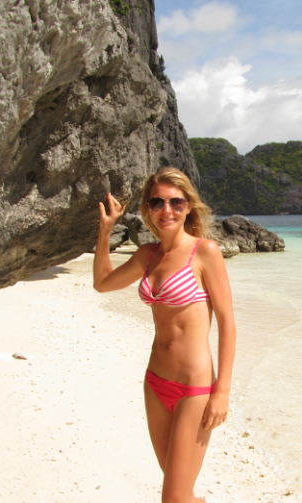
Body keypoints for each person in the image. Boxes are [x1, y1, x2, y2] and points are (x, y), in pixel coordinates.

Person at [93, 167, 236, 503]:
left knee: (172, 498)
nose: (166, 210)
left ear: (187, 207)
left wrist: (223, 391)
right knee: (182, 494)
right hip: (155, 383)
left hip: (195, 389)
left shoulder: (205, 252)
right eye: (157, 202)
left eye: (175, 202)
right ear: (148, 209)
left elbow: (228, 322)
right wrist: (104, 232)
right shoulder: (147, 256)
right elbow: (102, 283)